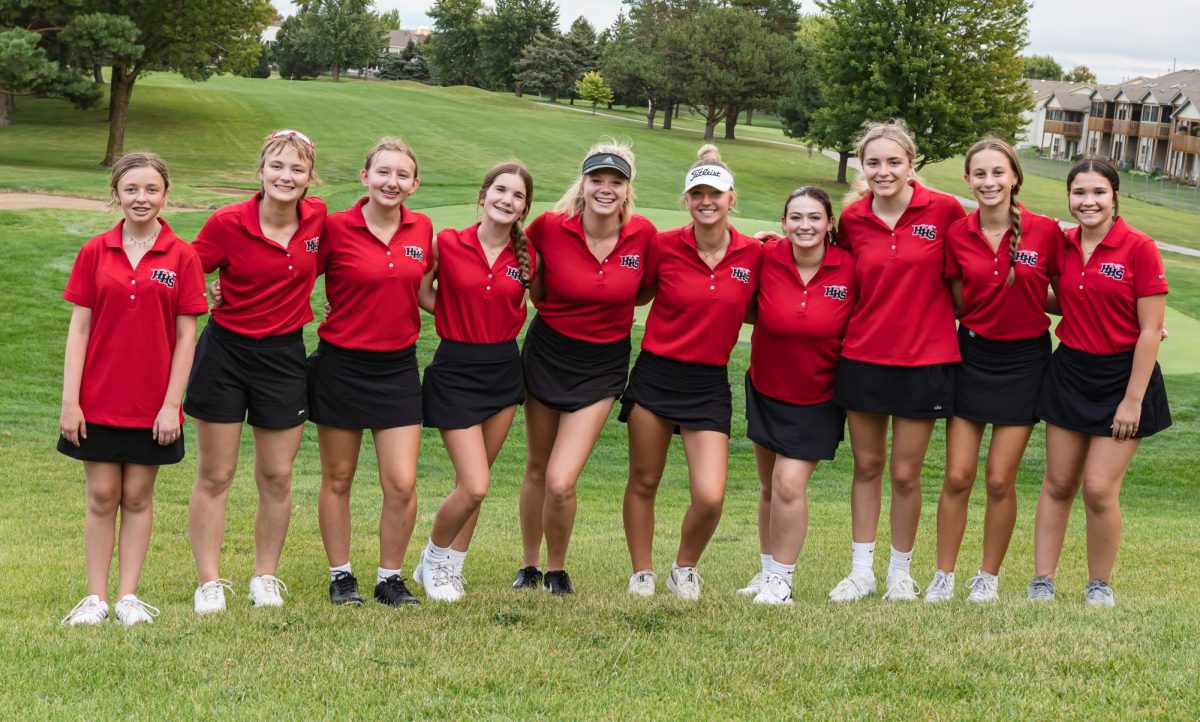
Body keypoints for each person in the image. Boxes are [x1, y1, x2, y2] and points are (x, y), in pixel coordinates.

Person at [59, 152, 207, 625]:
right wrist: (70, 402)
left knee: (139, 497)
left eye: (150, 189)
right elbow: (79, 329)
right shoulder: (94, 251)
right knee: (102, 495)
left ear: (165, 195)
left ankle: (127, 597)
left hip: (153, 405)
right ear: (116, 195)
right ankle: (96, 598)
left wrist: (171, 406)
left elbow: (187, 337)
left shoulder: (182, 256)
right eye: (131, 189)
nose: (141, 198)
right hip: (97, 399)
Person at [184, 129, 326, 613]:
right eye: (277, 166)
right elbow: (186, 270)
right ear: (261, 172)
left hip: (284, 358)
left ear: (310, 179)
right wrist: (207, 296)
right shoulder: (227, 222)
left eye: (297, 169)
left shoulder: (318, 220)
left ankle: (265, 577)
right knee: (216, 473)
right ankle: (209, 582)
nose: (286, 176)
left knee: (278, 475)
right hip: (225, 355)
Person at [828, 119, 966, 602]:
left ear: (911, 164)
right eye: (874, 163)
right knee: (866, 466)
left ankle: (899, 573)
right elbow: (830, 270)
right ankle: (861, 571)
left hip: (926, 360)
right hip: (863, 355)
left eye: (893, 162)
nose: (883, 171)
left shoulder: (945, 210)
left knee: (906, 474)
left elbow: (993, 249)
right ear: (863, 168)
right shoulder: (852, 219)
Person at [926, 138, 1066, 603]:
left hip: (1025, 363)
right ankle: (943, 576)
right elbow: (959, 299)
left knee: (1000, 479)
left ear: (1014, 177)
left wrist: (1146, 320)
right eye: (980, 174)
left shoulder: (1046, 232)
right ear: (967, 180)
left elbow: (1073, 293)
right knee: (957, 476)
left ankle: (987, 577)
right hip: (970, 359)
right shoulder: (958, 233)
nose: (989, 182)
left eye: (998, 173)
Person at [515, 140, 657, 594]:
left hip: (602, 364)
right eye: (597, 179)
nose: (605, 188)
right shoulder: (549, 227)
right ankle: (531, 566)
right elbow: (534, 285)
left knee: (561, 479)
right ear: (584, 182)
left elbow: (642, 292)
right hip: (547, 353)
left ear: (627, 188)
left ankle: (557, 568)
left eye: (615, 182)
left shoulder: (644, 236)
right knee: (537, 467)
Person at [621, 145, 762, 600]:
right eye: (697, 192)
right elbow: (637, 293)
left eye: (715, 193)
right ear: (686, 198)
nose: (706, 201)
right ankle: (641, 570)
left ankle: (684, 567)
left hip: (708, 384)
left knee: (710, 495)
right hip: (656, 375)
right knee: (644, 480)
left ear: (731, 198)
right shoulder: (662, 245)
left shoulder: (754, 254)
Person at [1028, 158, 1169, 607]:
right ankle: (1042, 581)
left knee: (1099, 488)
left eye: (1097, 193)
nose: (1087, 202)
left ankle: (1098, 584)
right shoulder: (1063, 244)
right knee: (1057, 483)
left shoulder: (1139, 247)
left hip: (1124, 379)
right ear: (1068, 197)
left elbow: (1150, 329)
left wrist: (1133, 400)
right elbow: (1063, 298)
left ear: (1114, 197)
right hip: (1070, 371)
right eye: (1079, 193)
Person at [309, 138, 433, 606]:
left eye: (402, 175)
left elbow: (428, 292)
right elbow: (292, 272)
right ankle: (341, 576)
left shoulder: (423, 228)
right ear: (365, 177)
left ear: (414, 184)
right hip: (341, 364)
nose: (392, 182)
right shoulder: (335, 227)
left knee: (401, 482)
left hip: (397, 368)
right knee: (338, 477)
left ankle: (389, 578)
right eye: (383, 172)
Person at [412, 162, 535, 602]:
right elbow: (422, 292)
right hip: (456, 370)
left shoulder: (527, 254)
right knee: (474, 483)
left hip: (504, 370)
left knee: (477, 484)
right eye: (500, 190)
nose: (507, 200)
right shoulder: (446, 242)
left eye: (518, 196)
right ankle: (432, 558)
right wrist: (452, 319)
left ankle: (452, 568)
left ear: (524, 208)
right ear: (483, 195)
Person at [736, 187, 856, 605]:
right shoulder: (765, 256)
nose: (805, 226)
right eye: (796, 218)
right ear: (783, 222)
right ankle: (767, 570)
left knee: (788, 484)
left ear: (829, 224)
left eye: (814, 218)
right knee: (769, 486)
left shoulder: (849, 268)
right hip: (766, 387)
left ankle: (783, 582)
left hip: (820, 395)